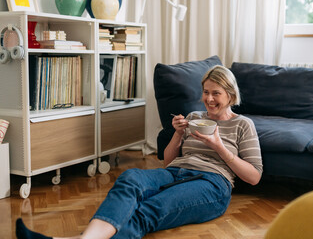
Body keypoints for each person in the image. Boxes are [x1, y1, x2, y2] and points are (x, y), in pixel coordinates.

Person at [16, 65, 263, 239]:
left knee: (151, 208)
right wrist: (178, 133)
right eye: (206, 92)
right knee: (130, 178)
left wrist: (218, 146)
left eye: (216, 93)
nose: (208, 99)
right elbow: (168, 161)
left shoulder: (243, 125)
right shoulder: (194, 117)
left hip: (213, 183)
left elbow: (253, 177)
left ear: (230, 95)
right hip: (177, 171)